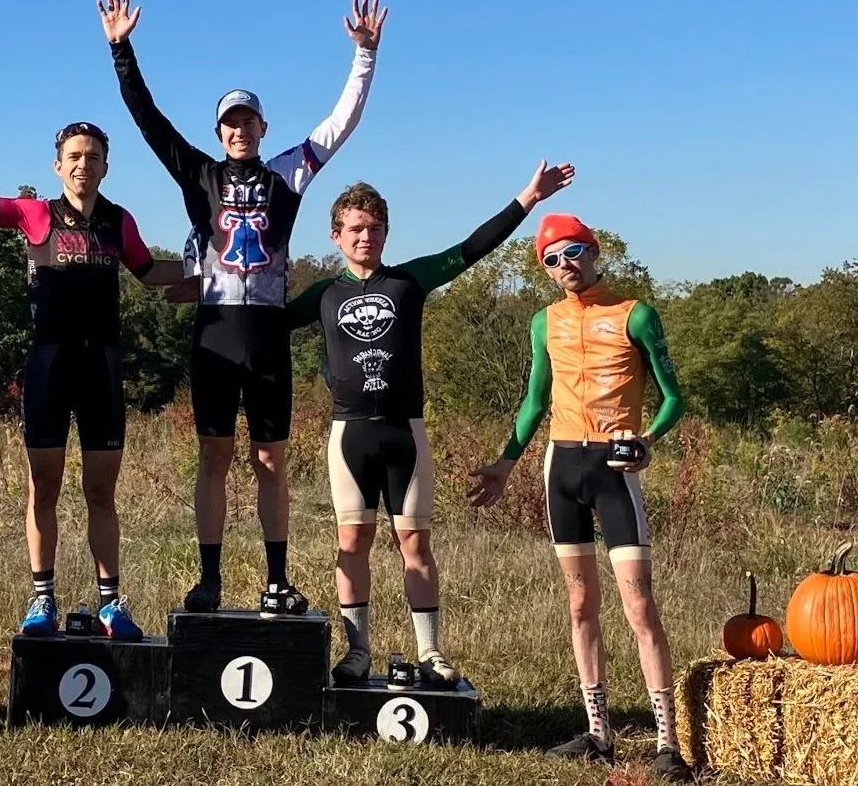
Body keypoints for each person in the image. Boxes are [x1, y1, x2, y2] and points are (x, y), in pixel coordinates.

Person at [98, 0, 387, 615]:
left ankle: (277, 580)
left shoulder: (288, 171)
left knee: (270, 460)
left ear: (262, 128)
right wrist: (122, 50)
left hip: (267, 332)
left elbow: (340, 124)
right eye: (229, 122)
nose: (238, 130)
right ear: (219, 130)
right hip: (215, 330)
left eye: (247, 122)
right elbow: (148, 120)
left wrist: (365, 55)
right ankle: (209, 580)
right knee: (214, 456)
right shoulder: (198, 173)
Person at [0, 90, 186, 640]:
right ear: (58, 165)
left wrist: (213, 267)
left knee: (101, 492)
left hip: (102, 369)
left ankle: (111, 603)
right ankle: (42, 598)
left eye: (93, 157)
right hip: (48, 368)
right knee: (42, 489)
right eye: (74, 156)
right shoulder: (35, 214)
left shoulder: (119, 222)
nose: (83, 165)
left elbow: (149, 273)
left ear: (105, 166)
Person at [285, 162, 574, 687]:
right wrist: (209, 285)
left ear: (386, 233)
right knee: (351, 543)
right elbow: (261, 319)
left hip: (405, 434)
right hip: (349, 434)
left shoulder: (410, 279)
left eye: (374, 228)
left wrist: (527, 198)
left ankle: (431, 654)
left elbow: (470, 249)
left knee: (415, 545)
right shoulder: (324, 293)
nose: (365, 237)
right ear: (336, 236)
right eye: (355, 229)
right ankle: (357, 653)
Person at [467, 214, 692, 783]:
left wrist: (646, 440)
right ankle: (599, 733)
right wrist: (503, 463)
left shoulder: (635, 313)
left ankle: (669, 743)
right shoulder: (544, 323)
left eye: (571, 252)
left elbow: (673, 398)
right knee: (579, 604)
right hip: (561, 464)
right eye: (550, 259)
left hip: (614, 467)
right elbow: (534, 399)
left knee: (639, 607)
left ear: (592, 252)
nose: (564, 265)